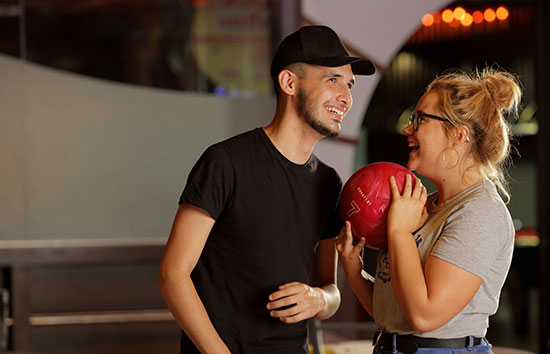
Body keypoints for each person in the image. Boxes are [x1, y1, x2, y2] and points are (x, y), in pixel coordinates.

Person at [158, 25, 375, 354]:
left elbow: (330, 292)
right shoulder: (226, 162)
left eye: (349, 85)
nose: (346, 97)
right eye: (333, 80)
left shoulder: (329, 182)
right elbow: (173, 275)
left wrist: (317, 298)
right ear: (289, 82)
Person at [337, 67, 522, 354]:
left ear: (459, 136)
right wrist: (354, 273)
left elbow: (424, 316)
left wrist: (399, 232)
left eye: (419, 119)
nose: (407, 129)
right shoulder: (425, 206)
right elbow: (396, 313)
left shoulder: (480, 213)